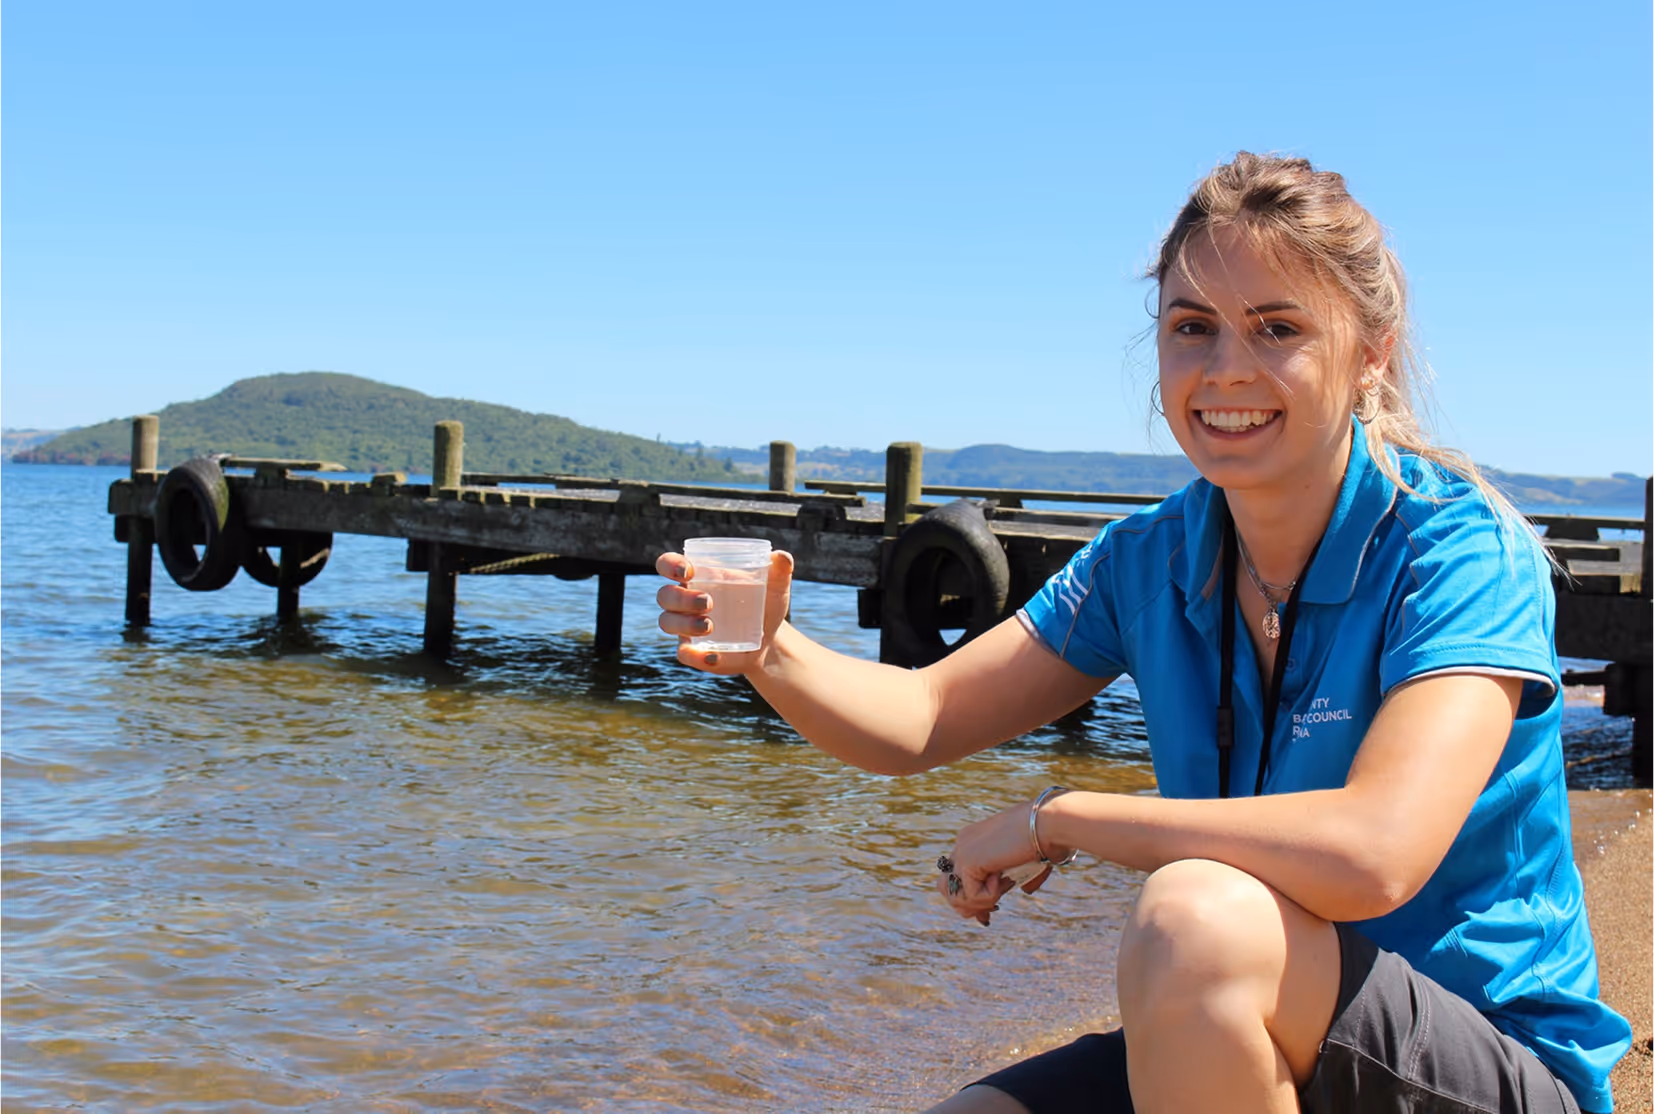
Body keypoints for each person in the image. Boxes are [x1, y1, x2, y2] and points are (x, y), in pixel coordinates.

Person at [654, 152, 1632, 1113]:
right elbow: (919, 714)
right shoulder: (1150, 558)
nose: (1225, 368)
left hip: (1483, 1062)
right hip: (1248, 1006)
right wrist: (771, 651)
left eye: (1276, 327)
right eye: (1192, 327)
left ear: (1369, 347)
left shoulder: (1455, 550)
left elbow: (1372, 852)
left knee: (1190, 916)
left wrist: (1063, 816)